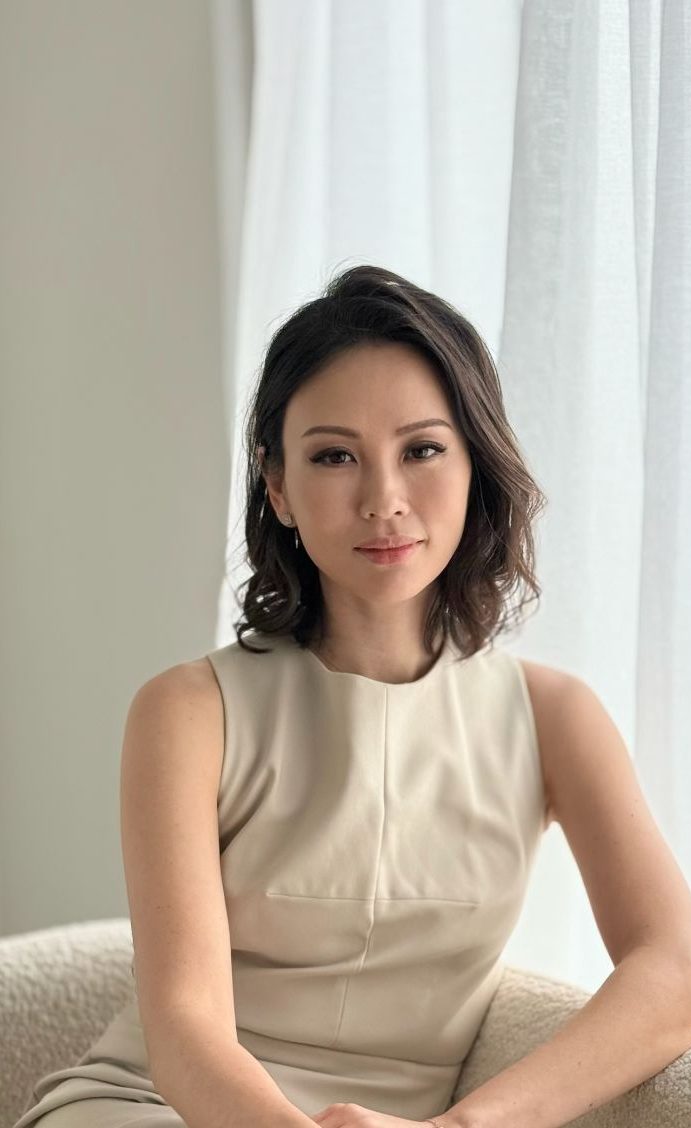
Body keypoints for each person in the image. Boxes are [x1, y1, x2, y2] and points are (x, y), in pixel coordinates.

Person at [12, 264, 553, 1128]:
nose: (384, 501)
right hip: (157, 1108)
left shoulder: (553, 719)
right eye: (334, 456)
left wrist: (465, 1127)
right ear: (277, 487)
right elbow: (186, 1028)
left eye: (422, 449)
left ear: (476, 461)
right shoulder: (188, 710)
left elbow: (677, 979)